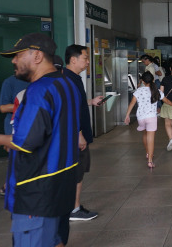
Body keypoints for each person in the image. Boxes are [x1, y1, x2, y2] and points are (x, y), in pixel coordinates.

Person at [0, 33, 81, 246]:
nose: (14, 61)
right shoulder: (67, 84)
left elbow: (27, 141)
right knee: (55, 238)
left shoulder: (38, 91)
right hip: (63, 182)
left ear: (37, 56)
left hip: (37, 190)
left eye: (18, 55)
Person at [61, 45, 105, 229]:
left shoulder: (73, 78)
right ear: (73, 59)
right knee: (77, 171)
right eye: (85, 58)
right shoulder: (67, 79)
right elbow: (68, 109)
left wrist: (90, 102)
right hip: (75, 136)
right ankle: (73, 209)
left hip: (77, 134)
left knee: (78, 171)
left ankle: (72, 206)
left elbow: (76, 102)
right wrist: (78, 133)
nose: (88, 62)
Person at [0, 74, 29, 196]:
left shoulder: (38, 81)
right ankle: (8, 185)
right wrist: (24, 105)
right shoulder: (9, 82)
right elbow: (3, 107)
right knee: (15, 156)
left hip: (30, 124)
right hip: (13, 125)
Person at [125, 72, 164, 168]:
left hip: (141, 117)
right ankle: (150, 160)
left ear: (142, 81)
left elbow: (132, 103)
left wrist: (127, 115)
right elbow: (165, 100)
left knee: (145, 134)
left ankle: (147, 152)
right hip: (151, 117)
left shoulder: (138, 91)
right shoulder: (156, 90)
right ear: (153, 80)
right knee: (151, 138)